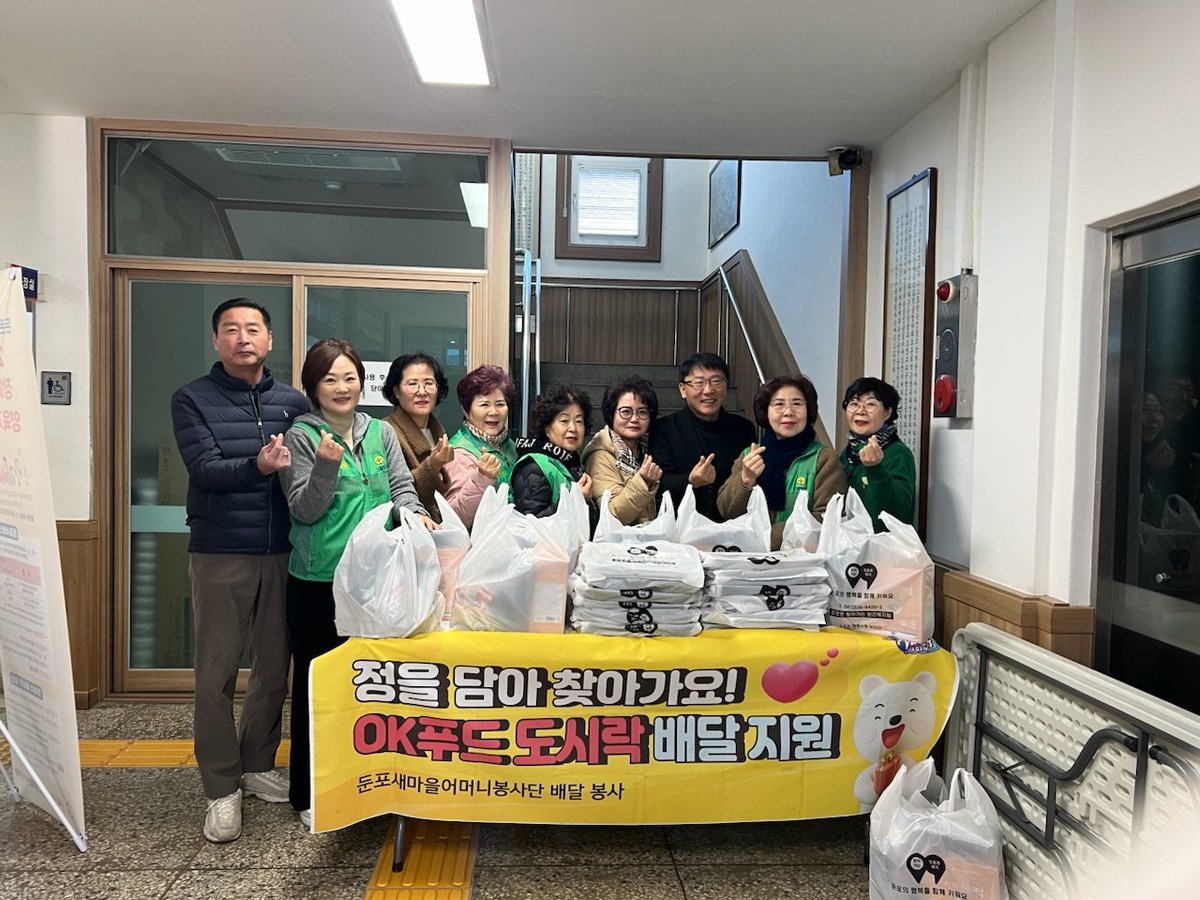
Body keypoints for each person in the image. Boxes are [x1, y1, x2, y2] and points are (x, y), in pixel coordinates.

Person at [279, 338, 433, 828]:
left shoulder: (379, 432)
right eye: (330, 379)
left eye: (349, 377)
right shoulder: (301, 436)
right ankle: (309, 794)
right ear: (314, 387)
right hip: (318, 581)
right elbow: (304, 509)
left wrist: (415, 514)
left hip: (375, 579)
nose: (342, 388)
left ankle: (368, 784)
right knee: (318, 689)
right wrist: (326, 464)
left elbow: (401, 487)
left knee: (370, 687)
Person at [171, 297, 309, 844]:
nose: (243, 338)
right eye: (231, 329)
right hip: (220, 551)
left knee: (274, 669)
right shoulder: (192, 398)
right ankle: (221, 786)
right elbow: (204, 468)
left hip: (284, 552)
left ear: (270, 340)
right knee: (217, 675)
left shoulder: (293, 402)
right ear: (216, 340)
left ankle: (256, 765)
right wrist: (258, 465)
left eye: (253, 329)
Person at [718, 374, 846, 548]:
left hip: (801, 560)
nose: (788, 412)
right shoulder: (750, 455)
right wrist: (745, 480)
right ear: (766, 411)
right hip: (747, 557)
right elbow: (726, 511)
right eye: (779, 404)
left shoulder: (824, 459)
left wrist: (764, 538)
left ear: (809, 410)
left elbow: (827, 519)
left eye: (797, 404)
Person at [650, 352, 756, 521]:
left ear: (726, 387)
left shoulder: (743, 429)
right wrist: (690, 480)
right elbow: (657, 484)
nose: (708, 390)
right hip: (680, 525)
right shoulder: (664, 429)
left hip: (733, 526)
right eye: (699, 382)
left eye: (716, 381)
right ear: (683, 390)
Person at [444, 364, 518, 528]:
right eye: (484, 405)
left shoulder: (508, 445)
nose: (493, 412)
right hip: (478, 542)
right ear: (466, 410)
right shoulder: (458, 453)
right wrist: (482, 477)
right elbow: (454, 516)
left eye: (500, 404)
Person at [382, 352, 453, 522]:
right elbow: (399, 492)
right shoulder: (386, 432)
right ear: (396, 391)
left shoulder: (437, 430)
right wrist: (433, 465)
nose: (422, 392)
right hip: (406, 527)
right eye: (412, 384)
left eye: (429, 383)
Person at [581, 376, 662, 524]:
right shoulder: (600, 455)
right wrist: (643, 482)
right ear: (611, 413)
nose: (634, 419)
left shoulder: (649, 448)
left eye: (642, 412)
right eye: (626, 412)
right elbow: (613, 514)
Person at [839, 376, 916, 532]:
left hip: (882, 545)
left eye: (870, 404)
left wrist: (875, 468)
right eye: (854, 404)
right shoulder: (848, 453)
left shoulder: (898, 453)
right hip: (847, 542)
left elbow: (898, 512)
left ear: (887, 412)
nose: (860, 411)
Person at [511, 384, 594, 517]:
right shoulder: (534, 467)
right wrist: (575, 499)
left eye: (579, 421)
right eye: (564, 421)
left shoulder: (571, 462)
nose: (573, 428)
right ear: (546, 428)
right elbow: (531, 522)